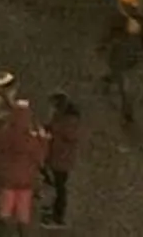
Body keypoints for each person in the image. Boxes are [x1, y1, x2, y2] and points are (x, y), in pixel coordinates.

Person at [0, 100, 49, 236]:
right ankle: (22, 233)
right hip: (26, 178)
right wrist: (44, 140)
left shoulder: (4, 133)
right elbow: (40, 156)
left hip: (7, 177)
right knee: (23, 211)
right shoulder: (30, 138)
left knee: (5, 208)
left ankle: (3, 232)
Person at [99, 0, 143, 124]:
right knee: (124, 74)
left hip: (120, 52)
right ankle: (110, 79)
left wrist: (102, 44)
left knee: (123, 79)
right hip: (134, 52)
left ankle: (127, 108)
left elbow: (108, 33)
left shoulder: (118, 16)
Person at [39, 92, 83, 230]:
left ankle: (57, 216)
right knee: (53, 184)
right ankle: (51, 212)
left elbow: (64, 138)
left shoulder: (68, 120)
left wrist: (50, 134)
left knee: (58, 187)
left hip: (60, 160)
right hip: (55, 158)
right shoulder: (60, 118)